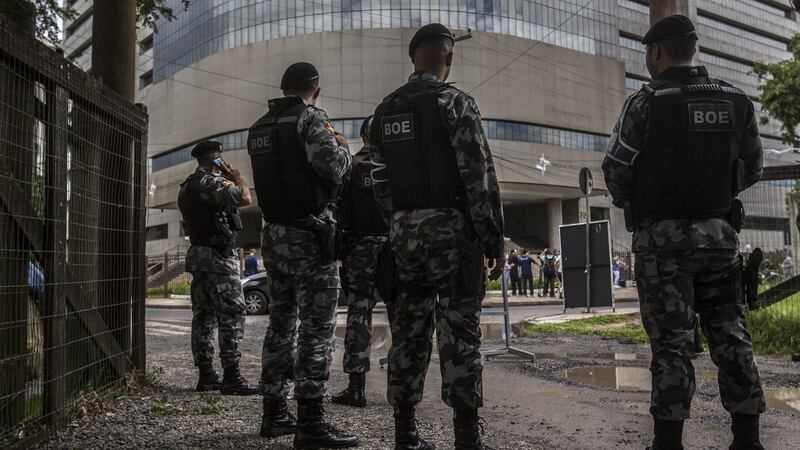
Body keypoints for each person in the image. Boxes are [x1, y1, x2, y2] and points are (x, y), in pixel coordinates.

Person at [602, 15, 765, 450]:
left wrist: (645, 203)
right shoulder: (737, 101)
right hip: (720, 239)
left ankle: (668, 442)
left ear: (656, 52)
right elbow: (752, 167)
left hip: (662, 245)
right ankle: (748, 438)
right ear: (692, 48)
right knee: (731, 333)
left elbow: (616, 172)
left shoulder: (647, 102)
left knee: (672, 345)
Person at [370, 23, 504, 450]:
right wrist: (491, 238)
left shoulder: (384, 111)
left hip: (402, 235)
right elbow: (478, 176)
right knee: (459, 334)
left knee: (406, 335)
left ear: (413, 58)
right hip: (451, 234)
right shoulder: (455, 103)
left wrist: (400, 221)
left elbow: (377, 179)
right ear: (449, 59)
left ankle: (405, 432)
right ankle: (465, 435)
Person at [247, 62, 358, 448]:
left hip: (274, 235)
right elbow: (331, 167)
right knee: (316, 328)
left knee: (280, 324)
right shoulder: (311, 119)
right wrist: (345, 149)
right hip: (310, 237)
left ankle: (274, 413)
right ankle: (311, 423)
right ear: (316, 89)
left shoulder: (259, 126)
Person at [177, 140, 258, 396]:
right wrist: (237, 177)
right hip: (218, 258)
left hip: (198, 256)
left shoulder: (186, 186)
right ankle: (232, 377)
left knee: (203, 317)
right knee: (231, 315)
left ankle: (207, 376)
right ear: (216, 160)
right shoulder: (211, 182)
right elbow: (245, 197)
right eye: (221, 158)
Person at [331, 116, 389, 408]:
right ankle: (403, 389)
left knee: (359, 315)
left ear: (364, 137)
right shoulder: (397, 168)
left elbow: (335, 206)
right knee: (404, 314)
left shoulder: (350, 167)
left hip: (359, 249)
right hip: (392, 249)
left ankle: (356, 388)